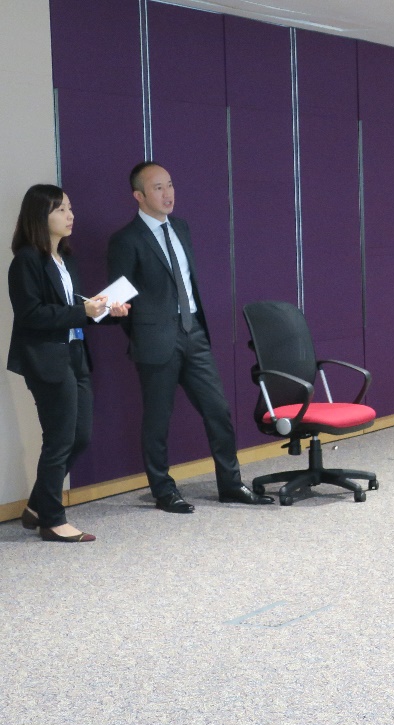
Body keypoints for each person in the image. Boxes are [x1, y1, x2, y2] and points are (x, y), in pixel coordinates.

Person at [107, 162, 272, 513]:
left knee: (218, 410)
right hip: (156, 340)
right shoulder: (125, 240)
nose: (168, 194)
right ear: (138, 195)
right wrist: (146, 334)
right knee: (157, 419)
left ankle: (230, 484)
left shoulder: (181, 227)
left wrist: (189, 324)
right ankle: (163, 490)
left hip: (194, 332)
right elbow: (118, 300)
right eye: (158, 188)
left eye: (170, 185)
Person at [7, 185, 130, 542]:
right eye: (61, 210)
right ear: (39, 216)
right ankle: (52, 520)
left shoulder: (66, 260)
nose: (70, 215)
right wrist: (83, 310)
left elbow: (77, 311)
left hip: (75, 354)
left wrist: (108, 310)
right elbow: (32, 315)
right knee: (60, 438)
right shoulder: (27, 261)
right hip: (46, 359)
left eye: (70, 208)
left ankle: (36, 505)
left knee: (80, 436)